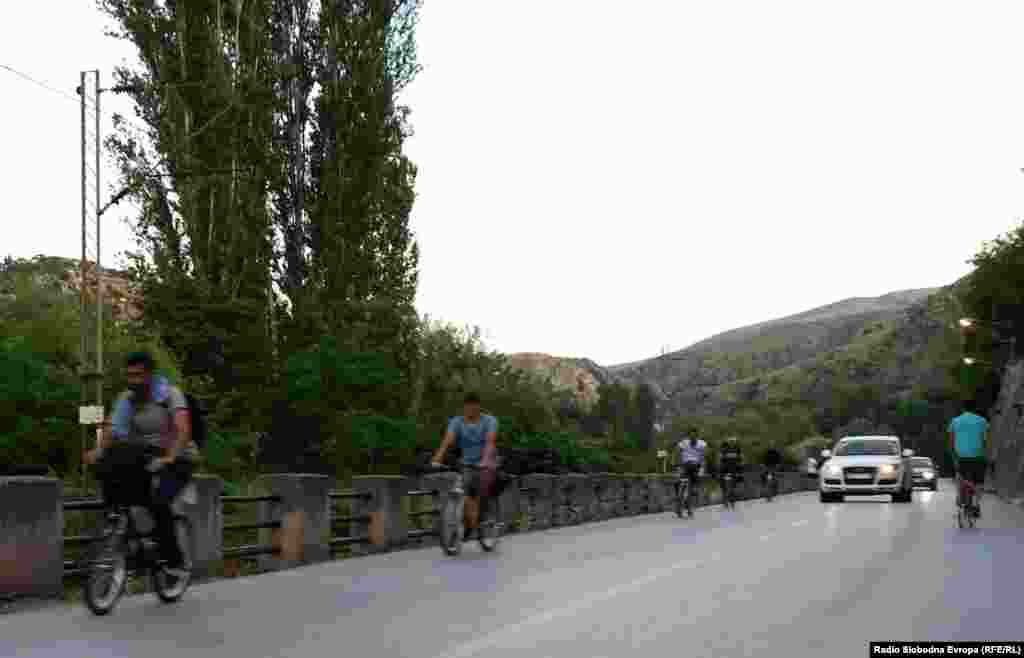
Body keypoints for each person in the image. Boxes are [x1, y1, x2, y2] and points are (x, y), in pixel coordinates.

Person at [87, 351, 197, 579]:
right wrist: (98, 451)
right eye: (129, 375)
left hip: (180, 457)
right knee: (113, 467)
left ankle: (174, 560)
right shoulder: (127, 398)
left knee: (158, 501)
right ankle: (127, 537)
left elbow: (183, 430)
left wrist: (170, 457)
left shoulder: (169, 394)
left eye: (139, 375)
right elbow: (111, 428)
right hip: (147, 456)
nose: (133, 381)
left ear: (150, 375)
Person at [432, 392, 498, 539]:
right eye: (467, 408)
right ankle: (466, 523)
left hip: (487, 463)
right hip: (467, 463)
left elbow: (490, 441)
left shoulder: (489, 421)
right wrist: (438, 457)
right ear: (464, 408)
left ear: (479, 408)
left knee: (482, 488)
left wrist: (485, 460)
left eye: (473, 408)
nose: (469, 411)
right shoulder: (457, 421)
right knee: (464, 489)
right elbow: (447, 440)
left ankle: (484, 518)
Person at [948, 399, 988, 518]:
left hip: (961, 457)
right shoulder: (982, 421)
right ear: (975, 409)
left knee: (960, 477)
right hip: (978, 457)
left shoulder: (955, 421)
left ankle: (960, 497)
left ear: (963, 408)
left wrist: (954, 457)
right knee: (979, 483)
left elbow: (951, 442)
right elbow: (986, 441)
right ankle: (975, 505)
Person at [675, 427, 707, 505]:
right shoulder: (684, 443)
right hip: (685, 465)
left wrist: (703, 467)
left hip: (696, 465)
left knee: (695, 482)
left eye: (694, 435)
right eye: (691, 435)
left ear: (697, 436)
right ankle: (679, 498)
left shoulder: (702, 444)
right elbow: (677, 451)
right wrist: (676, 463)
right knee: (677, 481)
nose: (692, 437)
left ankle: (691, 498)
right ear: (688, 436)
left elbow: (704, 456)